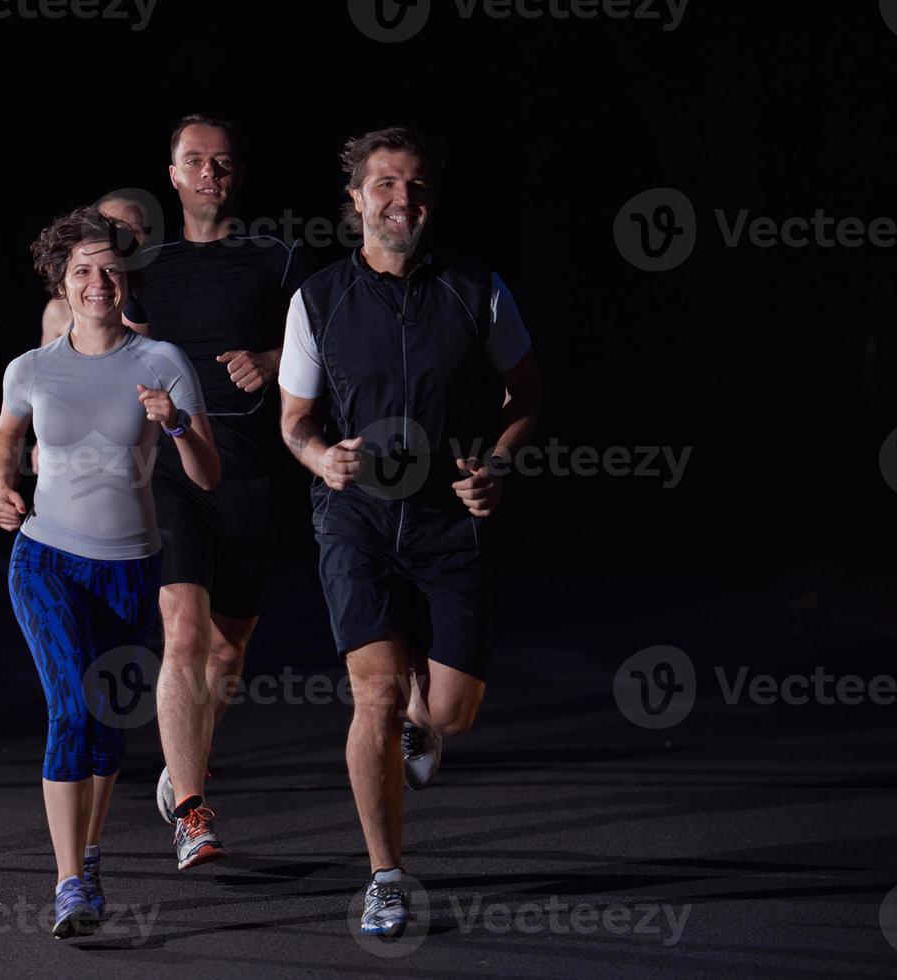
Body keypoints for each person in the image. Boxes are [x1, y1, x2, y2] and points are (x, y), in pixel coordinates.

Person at [277, 127, 542, 937]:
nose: (402, 200)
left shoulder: (476, 289)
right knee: (376, 695)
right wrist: (322, 459)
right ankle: (385, 876)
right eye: (384, 185)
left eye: (416, 186)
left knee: (450, 714)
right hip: (353, 520)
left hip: (443, 520)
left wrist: (496, 466)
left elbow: (526, 395)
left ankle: (425, 727)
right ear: (354, 199)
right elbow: (294, 421)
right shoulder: (316, 298)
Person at [0, 207, 217, 937]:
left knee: (109, 727)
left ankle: (89, 855)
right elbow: (4, 435)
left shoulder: (162, 362)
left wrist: (176, 423)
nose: (98, 283)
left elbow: (208, 474)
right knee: (68, 708)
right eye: (83, 270)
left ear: (127, 279)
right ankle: (68, 885)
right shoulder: (31, 368)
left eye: (110, 270)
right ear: (61, 279)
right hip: (46, 558)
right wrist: (2, 485)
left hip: (129, 567)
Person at [124, 113, 310, 867]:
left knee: (228, 655)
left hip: (250, 469)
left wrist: (270, 360)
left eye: (222, 162)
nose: (209, 173)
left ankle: (182, 763)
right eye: (194, 161)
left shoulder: (276, 256)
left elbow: (319, 346)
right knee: (184, 631)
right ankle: (193, 813)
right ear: (170, 174)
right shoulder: (146, 267)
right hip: (171, 471)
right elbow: (112, 352)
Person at [38, 193, 151, 346]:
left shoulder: (158, 295)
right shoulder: (59, 309)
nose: (120, 241)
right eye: (110, 227)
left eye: (132, 232)